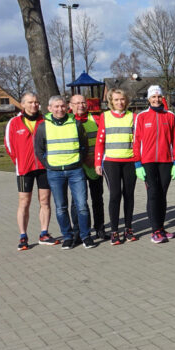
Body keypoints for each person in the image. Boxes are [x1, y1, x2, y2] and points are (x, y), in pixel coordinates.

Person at [34, 95, 92, 249]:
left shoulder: (76, 123)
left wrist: (79, 161)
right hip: (55, 172)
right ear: (49, 108)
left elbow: (84, 145)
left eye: (62, 106)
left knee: (82, 206)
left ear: (67, 107)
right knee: (61, 207)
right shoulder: (42, 126)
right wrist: (48, 164)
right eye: (56, 106)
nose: (60, 109)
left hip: (75, 171)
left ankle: (86, 236)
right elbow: (38, 150)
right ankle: (68, 236)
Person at [133, 85, 175, 244]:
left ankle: (161, 228)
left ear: (162, 98)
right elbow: (136, 141)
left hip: (166, 161)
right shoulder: (141, 117)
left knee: (162, 194)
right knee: (153, 194)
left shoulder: (170, 116)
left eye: (158, 97)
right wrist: (137, 164)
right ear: (148, 99)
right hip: (147, 162)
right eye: (153, 97)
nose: (156, 100)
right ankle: (155, 230)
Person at [7, 92, 53, 250]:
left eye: (36, 102)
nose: (34, 105)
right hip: (24, 169)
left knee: (45, 201)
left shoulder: (45, 121)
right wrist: (19, 161)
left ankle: (44, 233)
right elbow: (9, 145)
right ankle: (23, 236)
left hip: (44, 168)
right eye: (31, 102)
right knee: (24, 202)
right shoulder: (14, 122)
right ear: (23, 104)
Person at [95, 88, 138, 244]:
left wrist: (138, 161)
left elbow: (137, 141)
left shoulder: (133, 117)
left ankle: (128, 228)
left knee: (129, 195)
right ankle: (114, 231)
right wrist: (97, 163)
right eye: (116, 100)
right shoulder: (105, 117)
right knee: (115, 195)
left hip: (130, 162)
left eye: (122, 99)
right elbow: (100, 142)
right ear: (111, 101)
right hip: (111, 162)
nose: (120, 102)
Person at [68, 93, 105, 241]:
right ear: (70, 106)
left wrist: (96, 160)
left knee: (97, 199)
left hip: (95, 166)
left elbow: (102, 141)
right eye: (76, 103)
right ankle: (78, 231)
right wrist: (83, 159)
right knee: (77, 201)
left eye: (83, 102)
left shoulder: (96, 119)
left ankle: (100, 229)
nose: (80, 106)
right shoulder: (68, 122)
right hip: (77, 167)